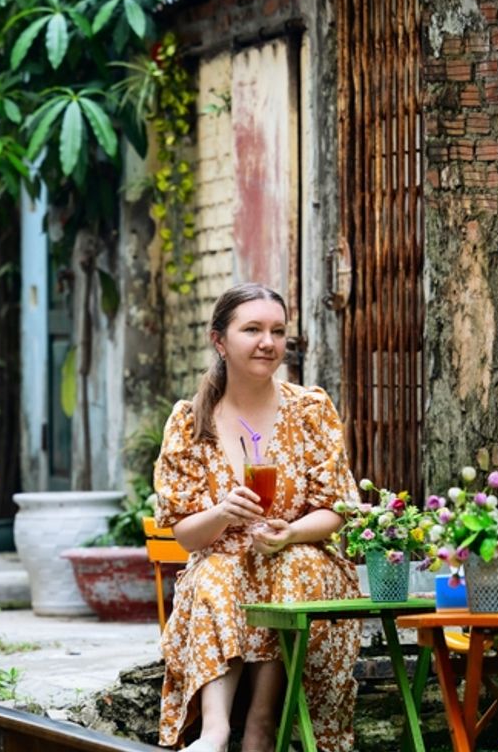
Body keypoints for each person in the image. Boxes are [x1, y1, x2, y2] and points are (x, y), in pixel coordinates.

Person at [154, 282, 361, 752]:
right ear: (220, 341)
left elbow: (335, 510)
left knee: (293, 564)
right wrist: (222, 514)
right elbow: (187, 535)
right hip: (223, 567)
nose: (268, 342)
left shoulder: (310, 410)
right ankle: (215, 732)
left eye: (277, 330)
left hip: (300, 558)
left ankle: (262, 726)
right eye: (252, 329)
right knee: (214, 573)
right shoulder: (190, 422)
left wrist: (290, 532)